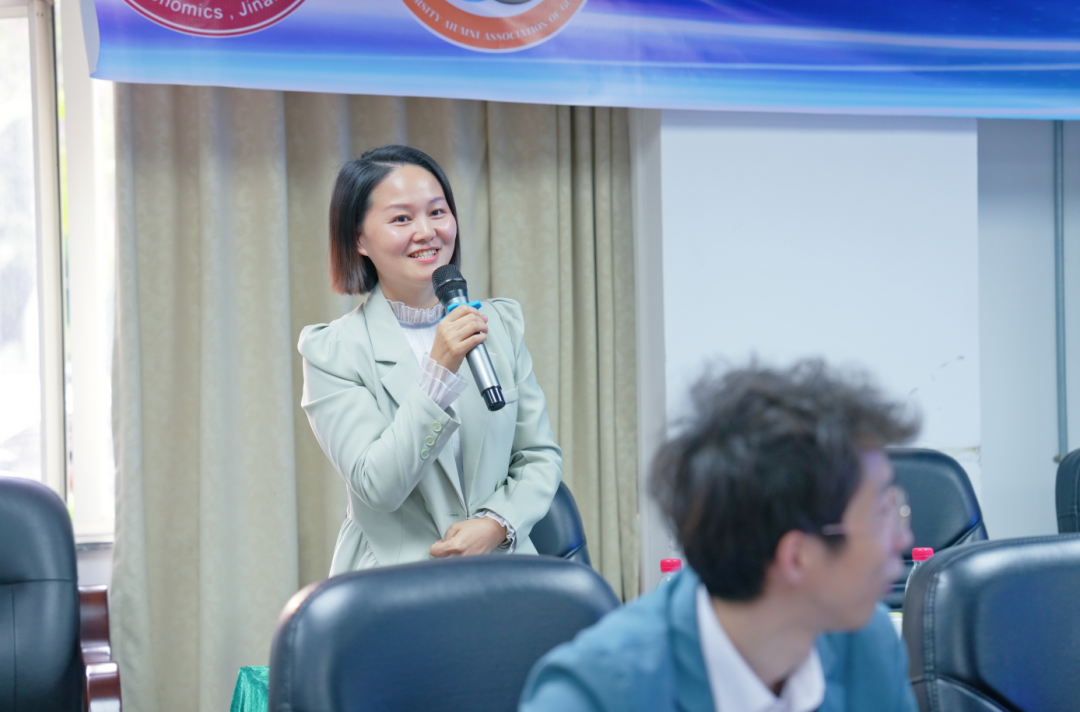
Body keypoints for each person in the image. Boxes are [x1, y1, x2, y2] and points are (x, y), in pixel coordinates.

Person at [520, 361, 920, 712]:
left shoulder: (867, 645)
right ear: (797, 557)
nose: (903, 539)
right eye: (881, 514)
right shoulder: (594, 694)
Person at [299, 145, 561, 574]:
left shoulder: (499, 325)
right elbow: (378, 486)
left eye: (437, 212)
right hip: (393, 581)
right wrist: (437, 372)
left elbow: (538, 455)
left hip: (501, 570)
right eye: (402, 219)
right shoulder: (333, 351)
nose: (426, 232)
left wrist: (496, 524)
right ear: (359, 238)